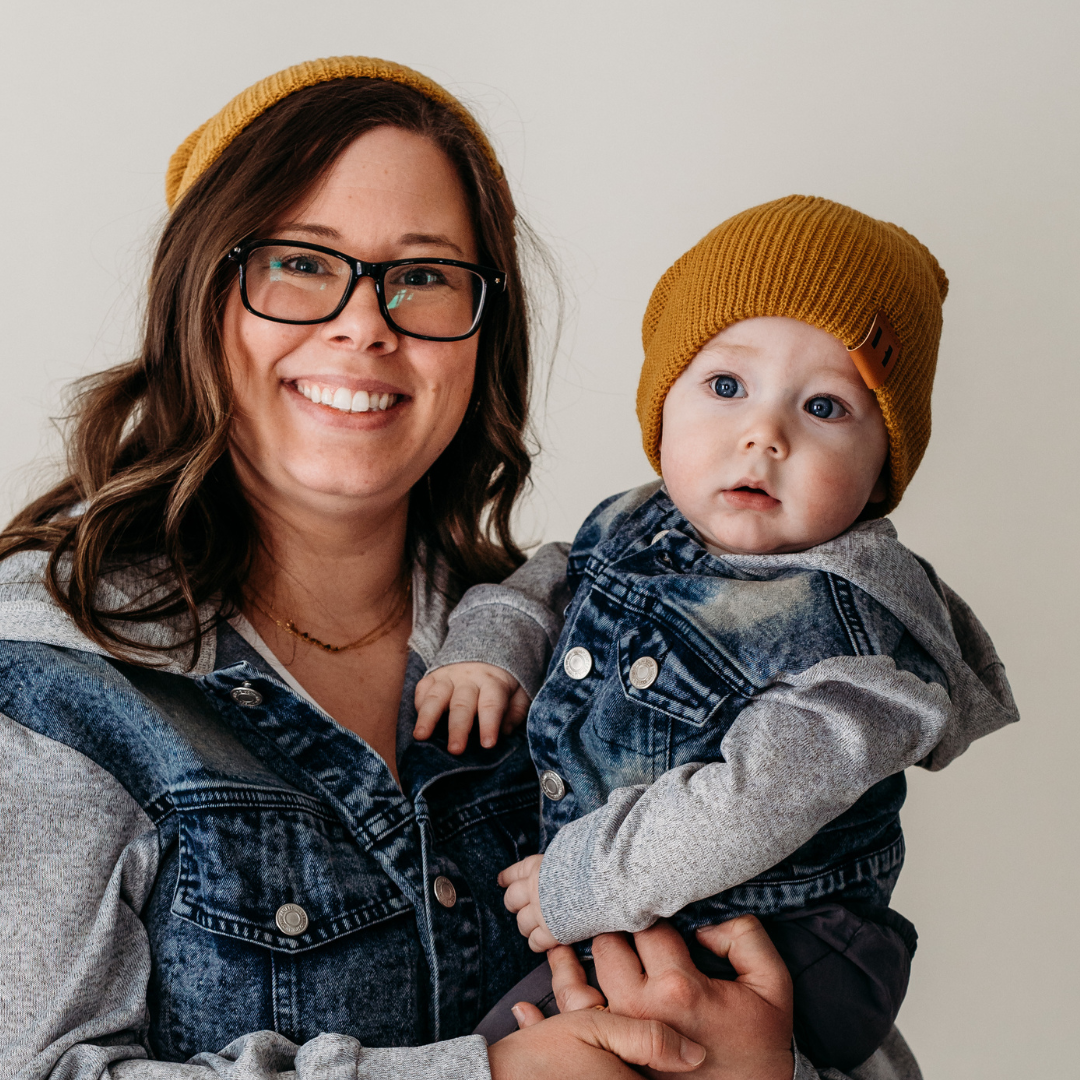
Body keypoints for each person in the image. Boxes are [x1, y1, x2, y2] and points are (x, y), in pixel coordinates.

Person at [0, 55, 913, 1080]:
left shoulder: (600, 642)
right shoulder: (51, 671)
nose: (364, 324)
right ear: (200, 297)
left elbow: (818, 965)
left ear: (484, 336)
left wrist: (773, 1070)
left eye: (424, 275)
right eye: (301, 261)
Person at [418, 197, 1019, 1068]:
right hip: (634, 906)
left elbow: (750, 804)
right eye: (727, 387)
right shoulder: (637, 521)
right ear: (664, 404)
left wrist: (583, 880)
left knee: (513, 1046)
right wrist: (489, 647)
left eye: (823, 408)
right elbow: (549, 579)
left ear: (882, 465)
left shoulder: (853, 631)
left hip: (784, 943)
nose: (762, 434)